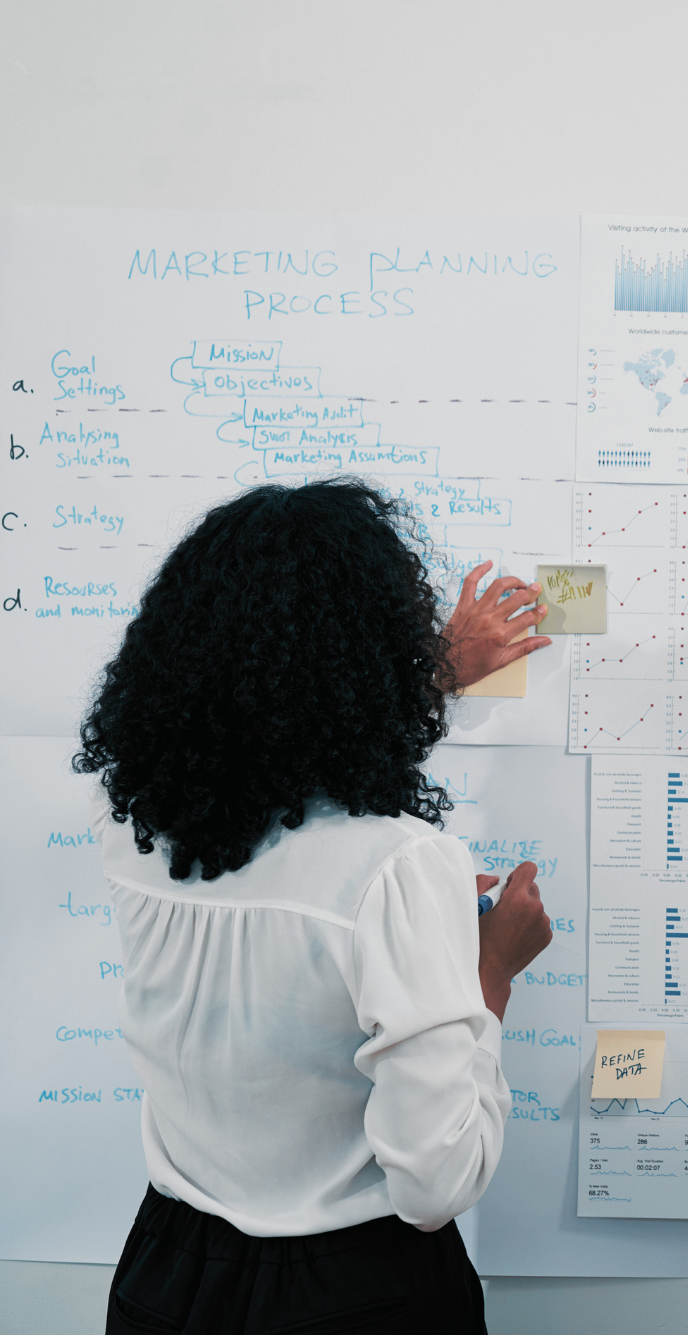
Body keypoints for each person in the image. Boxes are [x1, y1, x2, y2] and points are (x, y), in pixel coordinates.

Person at [74, 479, 557, 1334]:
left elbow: (276, 761)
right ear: (372, 653)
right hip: (355, 1292)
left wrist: (435, 679)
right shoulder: (399, 867)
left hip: (166, 1273)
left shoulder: (136, 823)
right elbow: (435, 1185)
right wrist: (488, 972)